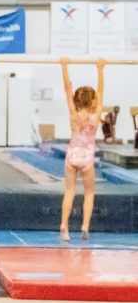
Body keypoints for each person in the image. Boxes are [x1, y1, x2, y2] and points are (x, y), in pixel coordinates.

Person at [59, 58, 105, 241]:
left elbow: (67, 89)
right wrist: (100, 69)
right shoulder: (96, 114)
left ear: (76, 100)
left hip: (72, 155)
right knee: (89, 193)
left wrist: (64, 66)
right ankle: (85, 226)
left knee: (69, 191)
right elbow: (101, 91)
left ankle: (64, 224)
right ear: (93, 100)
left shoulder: (73, 113)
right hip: (86, 157)